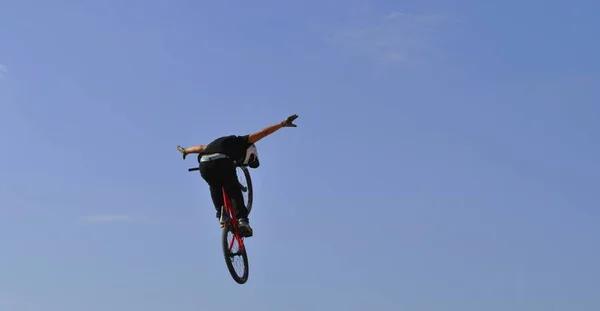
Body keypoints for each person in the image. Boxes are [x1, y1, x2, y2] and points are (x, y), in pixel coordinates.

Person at [177, 114, 298, 237]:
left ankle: (221, 213)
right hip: (222, 161)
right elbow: (264, 133)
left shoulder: (221, 143)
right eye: (250, 159)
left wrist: (186, 151)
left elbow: (200, 147)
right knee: (234, 190)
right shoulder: (244, 141)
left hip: (204, 164)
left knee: (214, 186)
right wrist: (282, 124)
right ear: (250, 151)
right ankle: (242, 221)